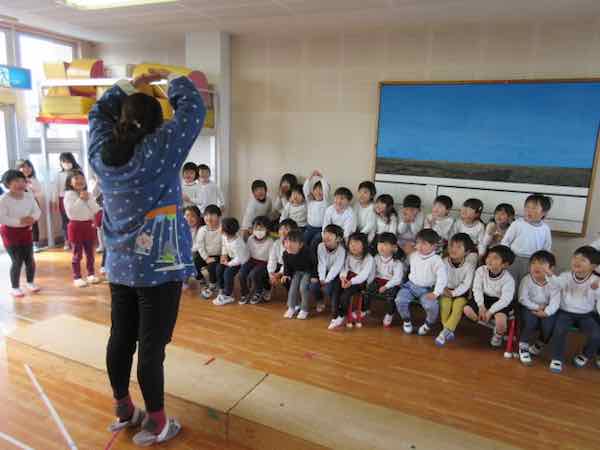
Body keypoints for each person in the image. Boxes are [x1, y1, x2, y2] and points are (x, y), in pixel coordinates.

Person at [88, 68, 207, 445]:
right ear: (157, 124)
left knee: (120, 338)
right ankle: (157, 423)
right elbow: (193, 110)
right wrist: (171, 76)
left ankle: (124, 410)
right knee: (151, 348)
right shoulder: (159, 150)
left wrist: (131, 83)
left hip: (119, 265)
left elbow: (96, 113)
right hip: (159, 267)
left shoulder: (101, 154)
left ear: (120, 120)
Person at [546, 246, 600, 373]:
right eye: (575, 257)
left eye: (583, 260)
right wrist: (550, 275)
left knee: (596, 335)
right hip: (565, 313)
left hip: (586, 315)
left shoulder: (596, 281)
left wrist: (596, 289)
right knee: (559, 331)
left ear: (593, 266)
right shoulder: (566, 275)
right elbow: (557, 284)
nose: (577, 261)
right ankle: (557, 358)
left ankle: (585, 355)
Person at [395, 229, 447, 335]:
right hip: (410, 286)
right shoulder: (413, 255)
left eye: (424, 243)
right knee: (399, 300)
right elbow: (404, 251)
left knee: (431, 306)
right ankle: (406, 321)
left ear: (434, 246)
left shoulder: (437, 260)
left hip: (427, 290)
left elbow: (442, 278)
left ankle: (428, 324)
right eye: (418, 243)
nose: (419, 246)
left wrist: (436, 293)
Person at [464, 245, 516, 348]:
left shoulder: (509, 279)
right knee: (467, 310)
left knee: (501, 322)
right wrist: (481, 306)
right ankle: (490, 324)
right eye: (489, 256)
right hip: (484, 298)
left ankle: (498, 335)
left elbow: (505, 300)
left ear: (505, 264)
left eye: (495, 258)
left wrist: (490, 312)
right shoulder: (481, 270)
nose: (490, 260)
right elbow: (477, 289)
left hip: (499, 301)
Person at [0, 170, 41, 297]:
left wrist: (32, 218)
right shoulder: (3, 199)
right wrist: (20, 221)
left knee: (30, 259)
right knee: (17, 260)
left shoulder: (29, 196)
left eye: (23, 181)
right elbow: (2, 218)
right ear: (7, 184)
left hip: (26, 231)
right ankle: (15, 287)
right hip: (10, 233)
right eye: (16, 181)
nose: (21, 184)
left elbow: (37, 211)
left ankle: (30, 282)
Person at [517, 250, 560, 366]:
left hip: (548, 309)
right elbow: (522, 298)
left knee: (549, 327)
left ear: (551, 268)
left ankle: (540, 343)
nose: (536, 266)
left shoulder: (555, 282)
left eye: (541, 263)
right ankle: (523, 346)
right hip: (529, 307)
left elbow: (556, 301)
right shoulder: (527, 279)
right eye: (533, 263)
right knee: (529, 322)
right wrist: (536, 307)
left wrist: (546, 312)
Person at [502, 194, 552, 290]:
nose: (529, 211)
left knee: (526, 285)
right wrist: (505, 258)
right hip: (514, 258)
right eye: (527, 207)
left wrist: (545, 264)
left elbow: (547, 248)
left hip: (533, 262)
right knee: (511, 284)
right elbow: (505, 242)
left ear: (543, 212)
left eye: (534, 208)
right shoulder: (517, 224)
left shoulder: (545, 229)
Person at [435, 233, 476, 346]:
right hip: (445, 290)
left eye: (459, 247)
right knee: (445, 305)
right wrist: (443, 289)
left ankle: (444, 333)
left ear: (467, 252)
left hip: (461, 293)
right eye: (452, 246)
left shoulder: (469, 266)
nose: (454, 249)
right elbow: (439, 278)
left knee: (458, 306)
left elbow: (466, 285)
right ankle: (448, 329)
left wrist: (453, 293)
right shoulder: (443, 262)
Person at [63, 169, 101, 287]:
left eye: (82, 178)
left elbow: (95, 209)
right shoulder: (68, 195)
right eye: (76, 178)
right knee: (77, 254)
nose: (80, 181)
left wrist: (87, 198)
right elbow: (72, 213)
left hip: (89, 226)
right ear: (70, 182)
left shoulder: (87, 194)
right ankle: (77, 277)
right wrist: (81, 199)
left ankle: (91, 274)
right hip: (75, 227)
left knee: (90, 253)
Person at [330, 232, 374, 330]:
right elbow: (344, 268)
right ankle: (335, 315)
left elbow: (363, 275)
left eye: (357, 244)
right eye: (351, 244)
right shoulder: (349, 255)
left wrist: (351, 282)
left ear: (364, 245)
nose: (353, 246)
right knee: (336, 288)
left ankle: (341, 315)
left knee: (346, 294)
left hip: (360, 282)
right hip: (348, 278)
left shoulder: (369, 258)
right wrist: (343, 278)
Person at [362, 232, 403, 328]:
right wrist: (369, 283)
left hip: (392, 283)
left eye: (385, 244)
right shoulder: (376, 258)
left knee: (391, 297)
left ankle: (389, 314)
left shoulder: (397, 262)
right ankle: (365, 309)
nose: (381, 247)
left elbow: (397, 278)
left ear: (394, 247)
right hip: (378, 281)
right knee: (367, 292)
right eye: (379, 243)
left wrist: (386, 286)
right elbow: (372, 272)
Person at [310, 224, 345, 316]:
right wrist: (322, 278)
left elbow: (336, 267)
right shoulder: (320, 246)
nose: (326, 236)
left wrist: (327, 280)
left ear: (338, 239)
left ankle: (336, 303)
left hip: (335, 274)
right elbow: (321, 263)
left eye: (330, 235)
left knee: (327, 289)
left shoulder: (341, 250)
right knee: (313, 286)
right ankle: (320, 300)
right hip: (323, 271)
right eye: (325, 233)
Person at [282, 229, 317, 320]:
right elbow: (286, 266)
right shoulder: (285, 254)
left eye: (293, 242)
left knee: (303, 288)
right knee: (293, 288)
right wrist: (286, 274)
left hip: (308, 272)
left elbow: (315, 264)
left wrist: (314, 276)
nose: (289, 244)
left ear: (301, 245)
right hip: (297, 272)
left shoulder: (308, 252)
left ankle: (304, 309)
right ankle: (291, 307)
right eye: (287, 241)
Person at [214, 217, 250, 306]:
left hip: (242, 261)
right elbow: (224, 246)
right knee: (219, 268)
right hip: (232, 257)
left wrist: (229, 264)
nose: (219, 227)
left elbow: (240, 259)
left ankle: (227, 294)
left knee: (228, 273)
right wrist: (224, 255)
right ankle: (222, 289)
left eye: (221, 226)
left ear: (225, 231)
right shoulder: (224, 236)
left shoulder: (238, 243)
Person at [239, 216, 273, 305]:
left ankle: (259, 292)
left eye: (261, 229)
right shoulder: (251, 238)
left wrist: (271, 271)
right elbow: (247, 252)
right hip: (252, 260)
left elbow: (271, 258)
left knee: (255, 274)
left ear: (267, 229)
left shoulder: (270, 241)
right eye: (256, 229)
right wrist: (243, 263)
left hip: (264, 262)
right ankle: (245, 293)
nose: (258, 231)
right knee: (242, 273)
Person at [55, 152, 81, 250]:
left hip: (77, 197)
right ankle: (67, 241)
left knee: (77, 220)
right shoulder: (59, 175)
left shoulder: (78, 172)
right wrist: (55, 201)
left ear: (72, 161)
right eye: (64, 161)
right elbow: (56, 189)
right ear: (61, 163)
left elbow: (83, 185)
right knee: (65, 221)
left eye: (68, 161)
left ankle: (78, 240)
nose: (66, 163)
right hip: (63, 199)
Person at [17, 159, 43, 252]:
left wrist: (30, 185)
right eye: (23, 167)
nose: (26, 169)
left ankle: (34, 244)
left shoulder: (33, 179)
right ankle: (23, 244)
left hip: (33, 202)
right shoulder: (16, 180)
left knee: (34, 223)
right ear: (18, 169)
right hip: (20, 203)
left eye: (29, 167)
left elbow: (39, 191)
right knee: (23, 223)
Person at [197, 205, 223, 299]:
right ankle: (201, 279)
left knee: (212, 265)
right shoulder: (202, 230)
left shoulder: (222, 229)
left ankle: (212, 285)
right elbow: (200, 246)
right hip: (206, 255)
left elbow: (226, 244)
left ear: (219, 217)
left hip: (219, 255)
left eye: (212, 215)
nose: (209, 218)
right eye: (206, 215)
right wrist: (206, 257)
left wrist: (223, 255)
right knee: (195, 259)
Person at [267, 218, 297, 297]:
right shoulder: (276, 243)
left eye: (286, 229)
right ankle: (266, 291)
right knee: (262, 273)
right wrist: (271, 273)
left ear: (293, 231)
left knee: (287, 278)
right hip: (280, 265)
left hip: (292, 267)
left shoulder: (295, 244)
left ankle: (293, 296)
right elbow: (272, 259)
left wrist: (279, 274)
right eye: (281, 229)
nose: (282, 232)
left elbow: (289, 263)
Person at [302, 170, 329, 249]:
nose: (318, 192)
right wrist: (310, 177)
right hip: (309, 227)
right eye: (316, 189)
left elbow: (326, 188)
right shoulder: (310, 201)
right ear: (313, 191)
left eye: (321, 190)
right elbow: (305, 189)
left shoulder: (325, 202)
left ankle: (312, 255)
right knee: (303, 240)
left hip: (321, 229)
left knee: (314, 242)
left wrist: (321, 177)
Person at [184, 205, 204, 287]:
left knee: (193, 257)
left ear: (198, 217)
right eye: (187, 215)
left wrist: (188, 252)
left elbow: (198, 245)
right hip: (187, 251)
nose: (189, 218)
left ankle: (198, 277)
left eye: (192, 216)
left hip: (199, 252)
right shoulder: (182, 227)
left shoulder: (201, 229)